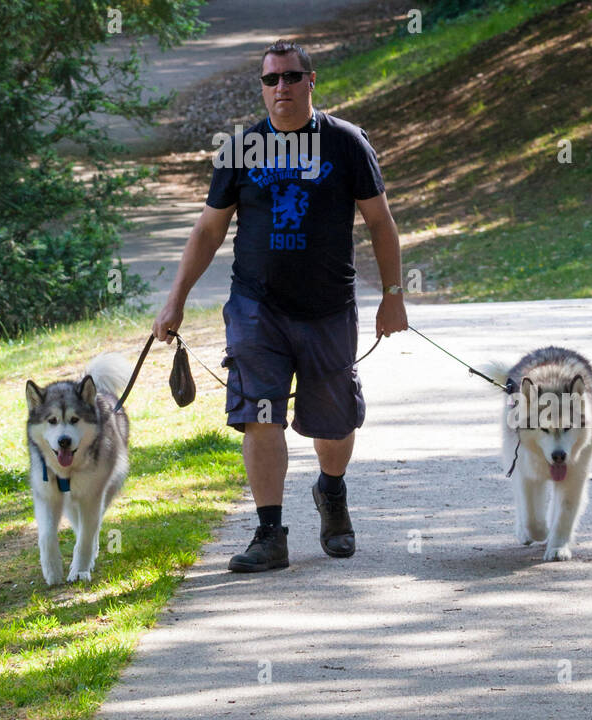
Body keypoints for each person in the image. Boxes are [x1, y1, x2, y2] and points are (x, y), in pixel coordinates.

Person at [153, 39, 408, 571]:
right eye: (271, 80)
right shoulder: (242, 149)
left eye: (291, 77)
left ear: (311, 81)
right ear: (263, 88)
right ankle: (270, 534)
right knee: (259, 415)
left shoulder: (345, 143)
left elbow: (380, 223)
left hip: (328, 306)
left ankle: (331, 493)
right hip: (256, 308)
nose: (281, 88)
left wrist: (393, 296)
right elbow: (208, 229)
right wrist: (174, 301)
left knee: (334, 424)